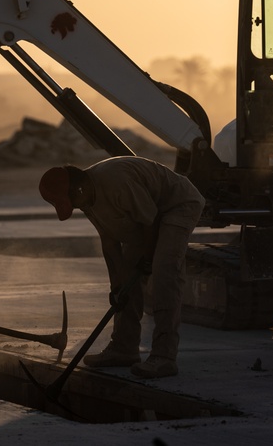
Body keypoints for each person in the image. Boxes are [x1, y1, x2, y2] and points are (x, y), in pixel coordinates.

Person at [39, 157, 205, 379]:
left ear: (79, 188)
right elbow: (109, 242)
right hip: (146, 218)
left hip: (175, 206)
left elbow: (151, 221)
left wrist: (148, 257)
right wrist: (117, 285)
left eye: (73, 202)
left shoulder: (116, 181)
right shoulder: (85, 199)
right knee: (126, 284)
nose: (78, 208)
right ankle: (123, 349)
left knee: (165, 272)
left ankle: (164, 357)